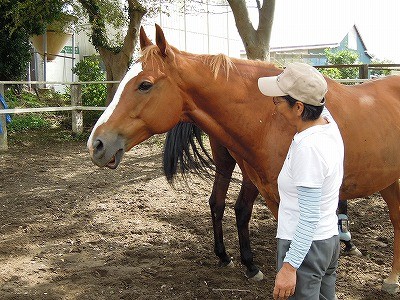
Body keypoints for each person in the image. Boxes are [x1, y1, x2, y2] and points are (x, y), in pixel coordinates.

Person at [258, 62, 344, 300]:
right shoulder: (328, 125)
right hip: (327, 241)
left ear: (298, 107)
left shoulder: (309, 149)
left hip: (305, 249)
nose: (275, 107)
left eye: (278, 101)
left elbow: (308, 217)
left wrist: (289, 267)